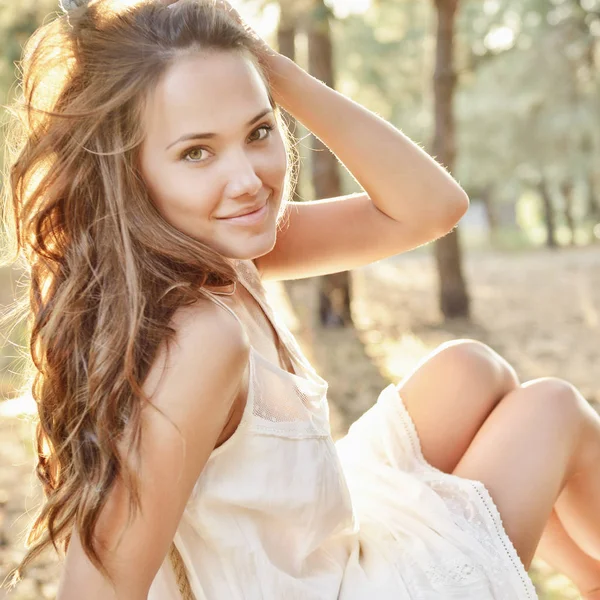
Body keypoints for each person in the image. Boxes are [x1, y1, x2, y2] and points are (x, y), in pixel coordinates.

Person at [2, 0, 599, 598]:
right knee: (551, 410)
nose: (247, 180)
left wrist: (259, 66)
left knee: (471, 369)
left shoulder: (220, 247)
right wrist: (251, 75)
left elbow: (431, 207)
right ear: (128, 174)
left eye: (259, 131)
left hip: (316, 552)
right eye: (196, 152)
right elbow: (98, 584)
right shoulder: (201, 338)